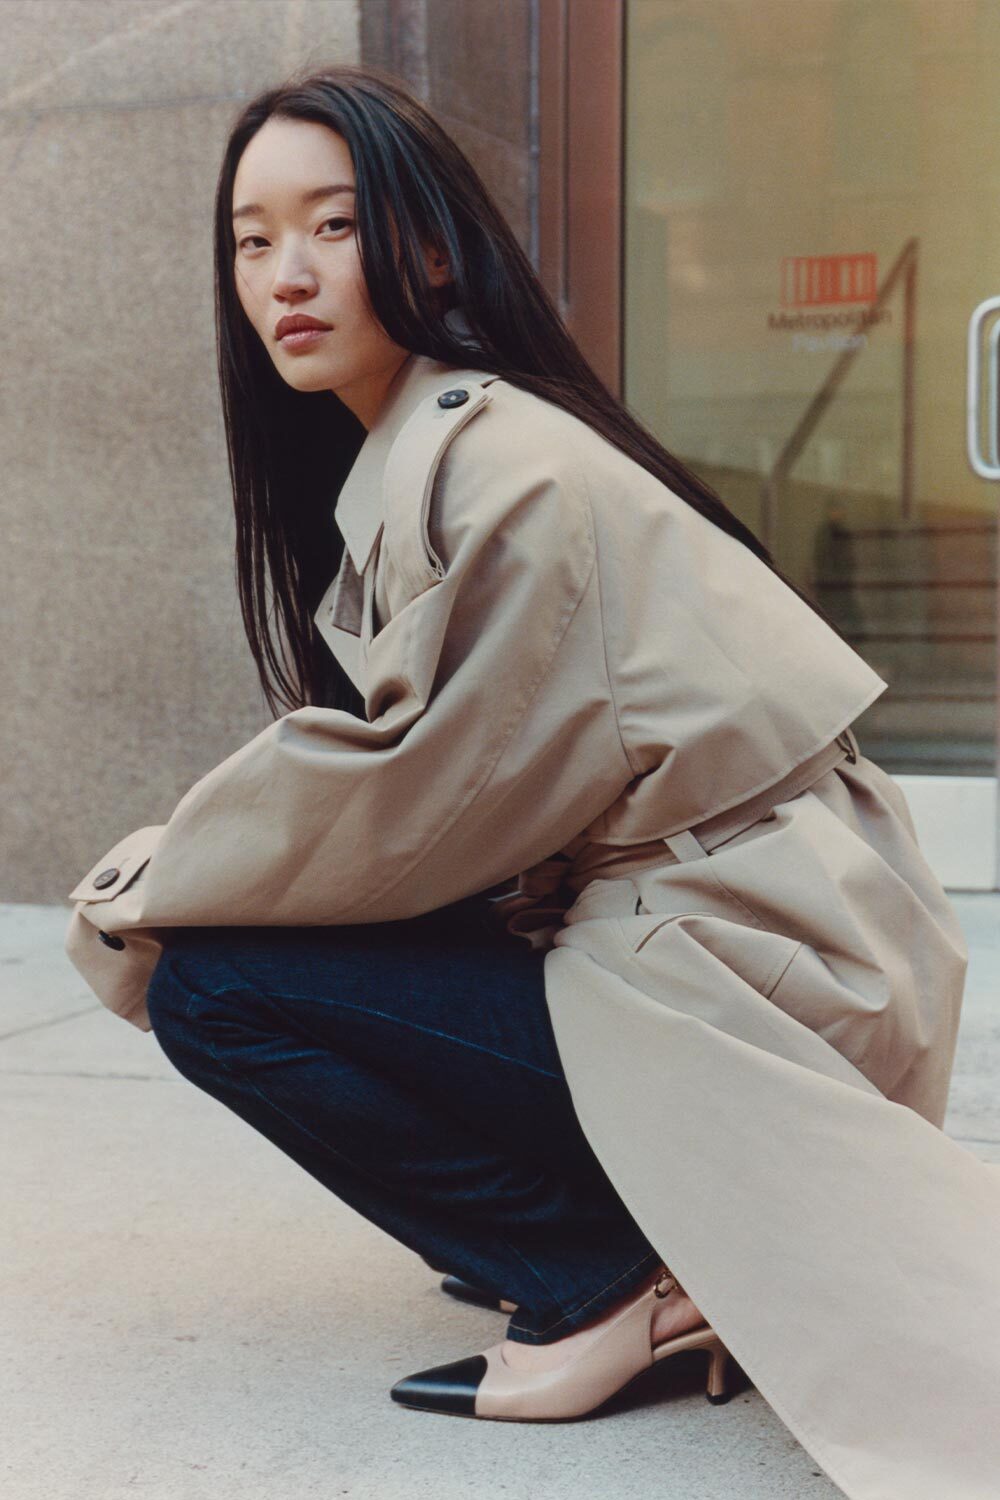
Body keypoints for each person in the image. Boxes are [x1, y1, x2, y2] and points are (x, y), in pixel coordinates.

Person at [64, 64, 1000, 1500]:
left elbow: (414, 796)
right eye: (253, 241)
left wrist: (151, 878)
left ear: (431, 250)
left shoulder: (502, 467)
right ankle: (623, 1241)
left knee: (216, 988)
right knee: (293, 947)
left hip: (753, 989)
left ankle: (602, 1286)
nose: (286, 276)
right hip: (738, 949)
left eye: (332, 225)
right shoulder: (443, 445)